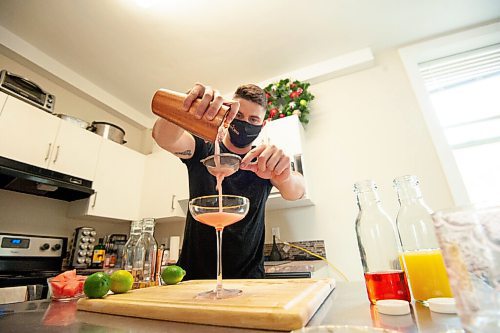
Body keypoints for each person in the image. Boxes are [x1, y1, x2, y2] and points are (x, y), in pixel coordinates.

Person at [152, 83, 305, 280]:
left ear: (262, 125)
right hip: (193, 279)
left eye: (253, 119)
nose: (244, 123)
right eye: (239, 116)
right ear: (227, 114)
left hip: (249, 280)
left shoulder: (263, 161)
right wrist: (186, 105)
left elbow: (296, 191)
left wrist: (285, 176)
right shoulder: (203, 149)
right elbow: (163, 138)